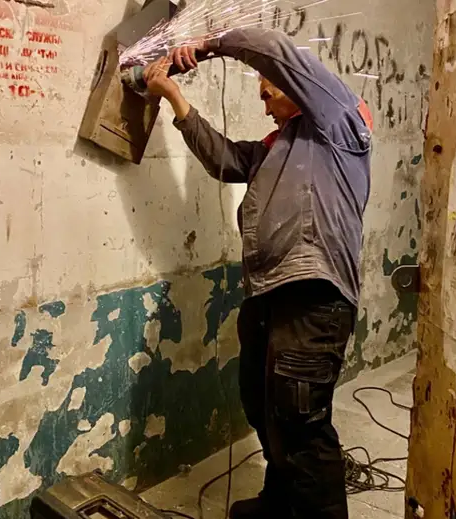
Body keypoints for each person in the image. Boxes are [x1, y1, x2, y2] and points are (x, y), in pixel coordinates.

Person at [143, 26, 373, 519]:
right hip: (267, 293)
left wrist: (208, 45)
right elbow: (226, 161)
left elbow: (273, 50)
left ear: (295, 86)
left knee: (300, 421)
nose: (264, 103)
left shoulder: (337, 122)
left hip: (314, 297)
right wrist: (174, 98)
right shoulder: (277, 147)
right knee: (264, 407)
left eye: (268, 92)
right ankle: (279, 505)